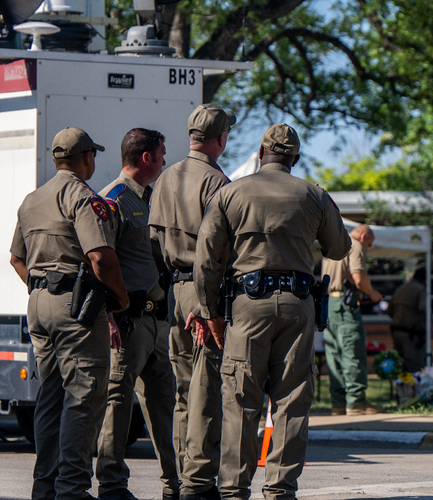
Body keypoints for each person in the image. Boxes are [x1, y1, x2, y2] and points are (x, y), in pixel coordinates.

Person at [192, 123, 351, 499]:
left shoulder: (230, 192)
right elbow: (339, 248)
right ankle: (280, 491)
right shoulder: (314, 194)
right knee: (292, 402)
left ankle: (233, 491)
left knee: (241, 401)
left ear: (261, 153)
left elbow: (206, 261)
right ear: (294, 158)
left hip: (248, 305)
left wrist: (210, 311)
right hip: (298, 305)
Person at [9, 127, 129, 500]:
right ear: (86, 158)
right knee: (85, 395)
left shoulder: (32, 199)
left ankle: (45, 486)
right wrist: (119, 298)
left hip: (39, 304)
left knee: (51, 396)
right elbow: (99, 256)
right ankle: (72, 489)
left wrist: (45, 288)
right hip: (75, 308)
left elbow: (16, 259)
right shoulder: (81, 196)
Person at [148, 103, 235, 500]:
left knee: (184, 390)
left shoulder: (165, 177)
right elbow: (216, 250)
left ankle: (182, 479)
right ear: (219, 139)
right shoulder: (216, 181)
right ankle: (199, 483)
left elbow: (151, 241)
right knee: (206, 389)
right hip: (204, 292)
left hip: (175, 289)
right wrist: (208, 305)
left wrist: (172, 289)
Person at [95, 129, 178, 500]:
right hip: (127, 324)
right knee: (118, 404)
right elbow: (96, 259)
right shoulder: (113, 200)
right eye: (161, 153)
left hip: (157, 321)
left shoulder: (150, 199)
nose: (164, 159)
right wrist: (109, 315)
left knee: (166, 405)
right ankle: (112, 485)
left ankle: (176, 484)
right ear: (146, 157)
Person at [322, 224, 384, 416]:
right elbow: (359, 279)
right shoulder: (354, 246)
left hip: (329, 304)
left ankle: (338, 403)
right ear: (363, 236)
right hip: (346, 305)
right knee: (352, 351)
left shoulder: (333, 246)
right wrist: (373, 294)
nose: (369, 248)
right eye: (370, 244)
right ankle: (356, 402)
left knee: (334, 355)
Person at [387, 267, 428, 373]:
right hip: (412, 334)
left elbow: (389, 310)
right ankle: (413, 389)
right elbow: (423, 309)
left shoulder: (400, 289)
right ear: (424, 280)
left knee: (399, 364)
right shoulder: (420, 290)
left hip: (397, 332)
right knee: (414, 365)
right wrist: (426, 327)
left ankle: (401, 388)